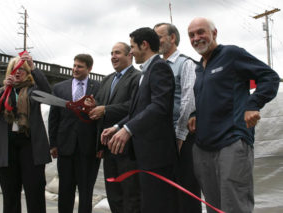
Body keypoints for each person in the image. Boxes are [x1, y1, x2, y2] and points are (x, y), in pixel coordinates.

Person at [187, 17, 280, 213]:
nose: (196, 38)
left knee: (234, 206)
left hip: (232, 141)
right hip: (203, 147)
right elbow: (211, 96)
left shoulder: (231, 54)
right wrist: (195, 114)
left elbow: (269, 77)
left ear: (214, 33)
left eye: (201, 32)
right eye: (192, 35)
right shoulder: (199, 67)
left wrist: (253, 104)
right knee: (213, 207)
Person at [101, 27, 178, 213]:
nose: (131, 51)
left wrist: (128, 129)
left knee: (157, 205)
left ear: (144, 45)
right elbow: (138, 110)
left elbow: (159, 107)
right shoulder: (146, 71)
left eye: (133, 46)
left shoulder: (159, 68)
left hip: (157, 155)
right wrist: (117, 126)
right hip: (144, 155)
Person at [0, 53, 52, 213]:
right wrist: (6, 90)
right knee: (10, 193)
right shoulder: (2, 90)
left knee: (34, 191)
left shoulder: (33, 90)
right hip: (7, 146)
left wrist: (34, 68)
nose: (18, 72)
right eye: (14, 69)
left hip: (30, 145)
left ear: (27, 71)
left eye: (22, 69)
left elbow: (48, 93)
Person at [88, 42, 141, 213]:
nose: (113, 56)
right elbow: (100, 105)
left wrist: (105, 110)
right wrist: (93, 105)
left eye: (118, 52)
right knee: (113, 194)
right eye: (111, 53)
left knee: (130, 193)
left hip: (128, 147)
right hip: (108, 147)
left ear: (129, 55)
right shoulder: (107, 79)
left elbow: (135, 107)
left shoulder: (137, 77)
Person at [154, 23, 201, 213]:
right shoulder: (156, 67)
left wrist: (179, 136)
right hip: (162, 139)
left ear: (172, 38)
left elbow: (189, 101)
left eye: (159, 36)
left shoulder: (186, 63)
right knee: (166, 193)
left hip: (182, 139)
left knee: (186, 190)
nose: (154, 41)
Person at [48, 54, 100, 213]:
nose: (75, 69)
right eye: (75, 65)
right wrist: (53, 144)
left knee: (86, 190)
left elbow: (102, 119)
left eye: (80, 66)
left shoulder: (99, 88)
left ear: (89, 69)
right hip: (65, 146)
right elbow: (54, 117)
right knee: (65, 189)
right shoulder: (59, 88)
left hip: (89, 148)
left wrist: (100, 145)